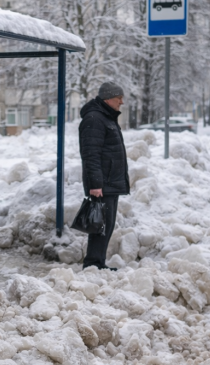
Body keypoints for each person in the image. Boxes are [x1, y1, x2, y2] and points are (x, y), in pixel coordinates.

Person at [78, 82, 130, 271]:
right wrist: (95, 184)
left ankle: (98, 262)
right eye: (119, 99)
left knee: (106, 226)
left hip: (110, 181)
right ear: (108, 99)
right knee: (99, 225)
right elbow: (91, 154)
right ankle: (93, 264)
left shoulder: (106, 118)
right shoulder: (94, 119)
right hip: (103, 183)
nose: (121, 102)